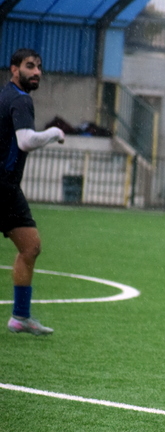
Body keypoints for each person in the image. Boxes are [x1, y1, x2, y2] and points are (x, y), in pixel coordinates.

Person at [1, 48, 65, 336]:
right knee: (30, 248)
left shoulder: (7, 96)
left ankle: (20, 317)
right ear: (14, 69)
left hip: (7, 190)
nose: (37, 72)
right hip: (2, 186)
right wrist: (54, 133)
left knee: (30, 247)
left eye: (39, 67)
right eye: (30, 66)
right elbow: (26, 141)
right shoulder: (19, 99)